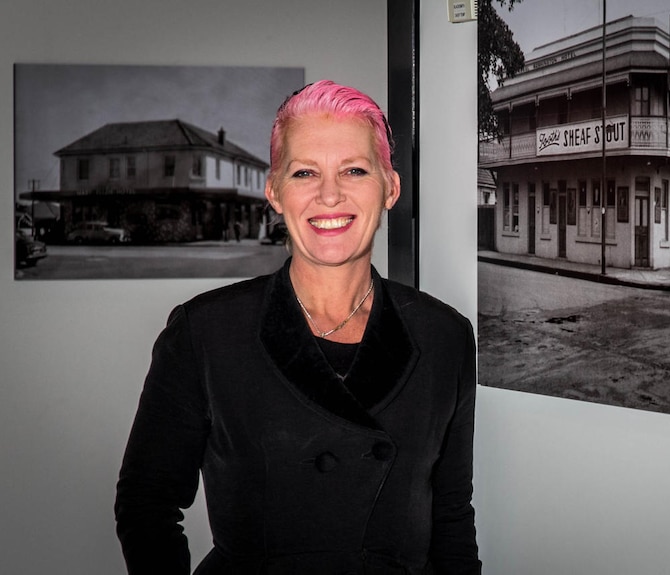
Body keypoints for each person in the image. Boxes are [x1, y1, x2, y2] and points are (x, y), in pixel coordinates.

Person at [114, 80, 481, 574]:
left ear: (390, 187)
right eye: (305, 172)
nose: (330, 195)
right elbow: (146, 505)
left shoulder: (445, 337)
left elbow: (452, 516)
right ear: (275, 191)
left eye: (354, 169)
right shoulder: (204, 333)